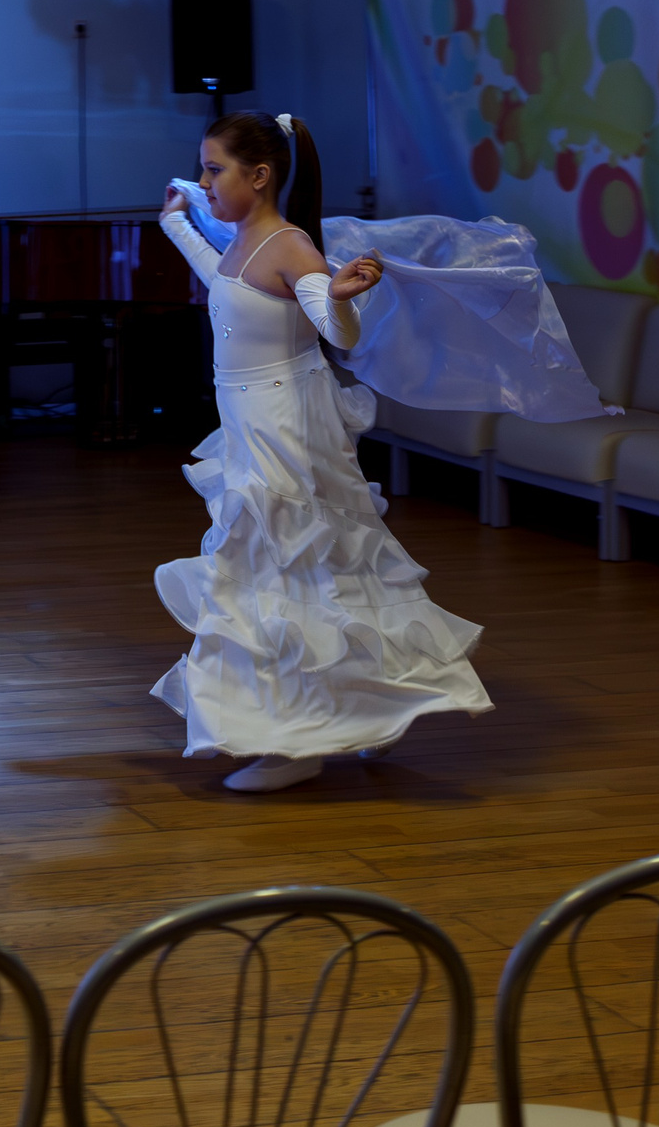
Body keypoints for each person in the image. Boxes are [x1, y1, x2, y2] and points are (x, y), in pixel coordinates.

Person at [154, 111, 492, 793]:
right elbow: (220, 280)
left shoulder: (290, 245)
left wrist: (340, 297)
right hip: (252, 422)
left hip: (284, 428)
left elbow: (338, 332)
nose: (204, 181)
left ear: (260, 174)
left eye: (214, 169)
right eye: (203, 168)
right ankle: (366, 707)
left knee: (284, 572)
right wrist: (176, 224)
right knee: (317, 571)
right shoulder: (244, 240)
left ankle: (295, 743)